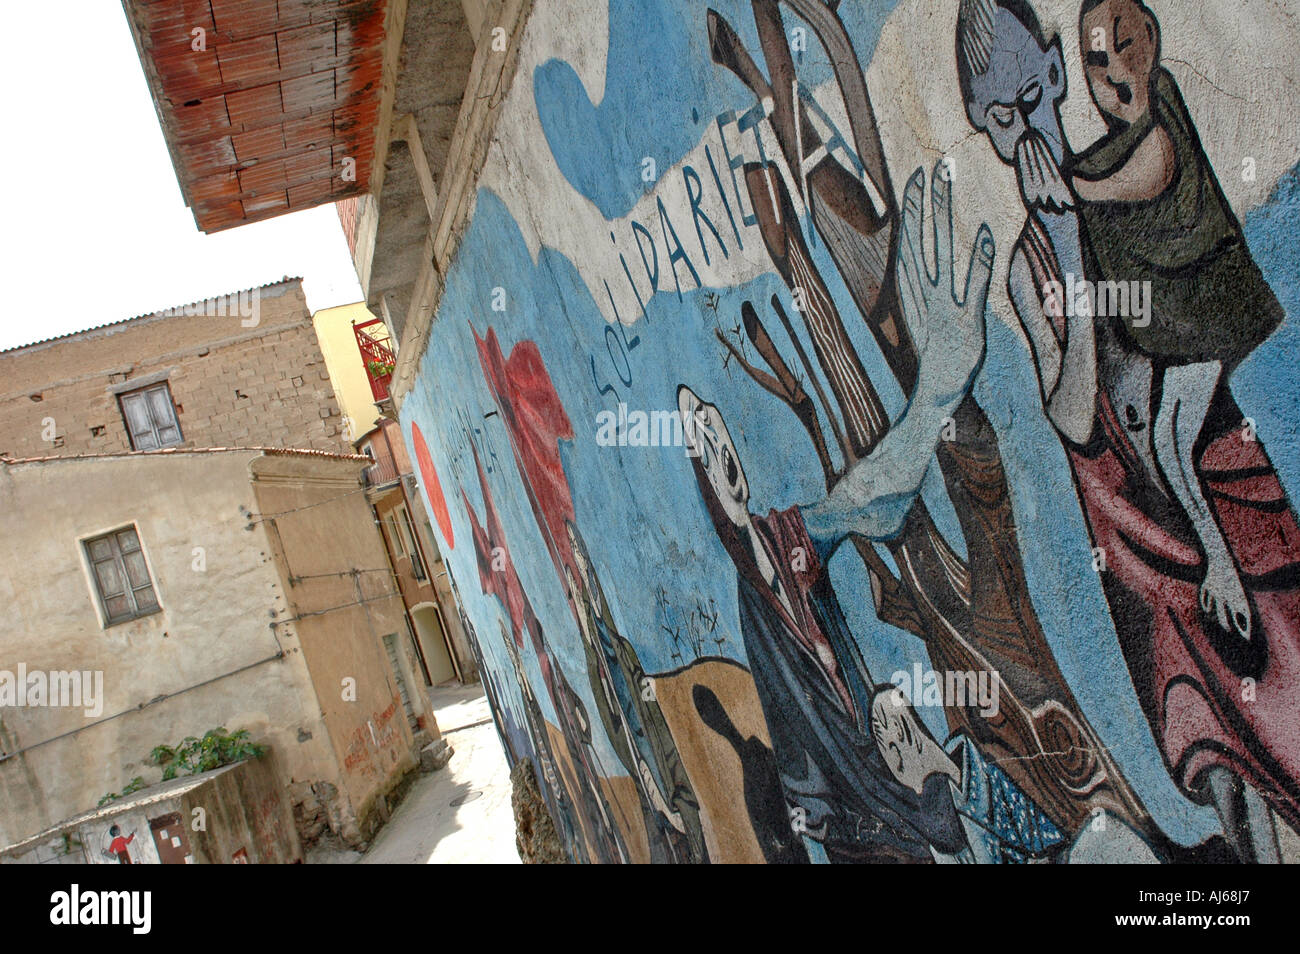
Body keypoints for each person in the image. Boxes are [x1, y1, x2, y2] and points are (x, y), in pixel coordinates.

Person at [957, 0, 1300, 862]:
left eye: (1036, 95)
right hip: (1139, 548)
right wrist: (1069, 248)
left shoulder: (1125, 173)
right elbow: (1073, 417)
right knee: (1219, 760)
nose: (1028, 124)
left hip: (1218, 491)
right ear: (979, 128)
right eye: (1003, 117)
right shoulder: (1030, 269)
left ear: (1057, 71)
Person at [680, 168, 994, 861]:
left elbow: (871, 499)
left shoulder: (788, 542)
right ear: (707, 484)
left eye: (718, 433)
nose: (724, 450)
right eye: (706, 446)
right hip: (856, 828)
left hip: (882, 805)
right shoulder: (757, 592)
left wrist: (938, 387)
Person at [1069, 0, 1285, 640]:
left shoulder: (1159, 108)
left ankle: (1223, 569)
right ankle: (1222, 566)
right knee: (1165, 441)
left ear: (1153, 41)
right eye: (1096, 61)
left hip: (1210, 312)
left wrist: (1076, 187)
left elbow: (1151, 167)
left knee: (1170, 442)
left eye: (1125, 48)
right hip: (1185, 328)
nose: (1114, 74)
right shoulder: (1117, 142)